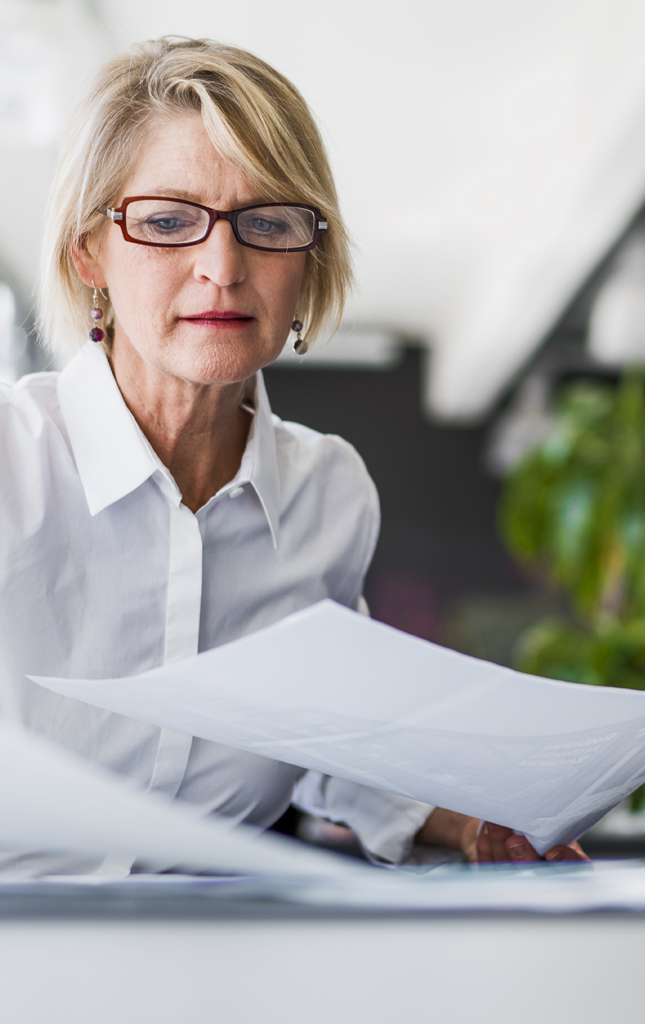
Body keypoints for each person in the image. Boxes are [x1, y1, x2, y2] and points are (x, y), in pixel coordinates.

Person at [0, 37, 586, 875]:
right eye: (168, 222)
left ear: (308, 260)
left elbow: (320, 732)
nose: (223, 268)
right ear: (88, 252)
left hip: (215, 969)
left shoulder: (327, 495)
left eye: (269, 223)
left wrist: (471, 824)